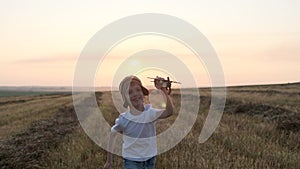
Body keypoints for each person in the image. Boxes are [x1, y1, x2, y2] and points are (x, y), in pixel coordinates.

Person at [104, 75, 174, 169]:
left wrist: (164, 91)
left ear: (143, 93)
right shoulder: (124, 119)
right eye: (130, 92)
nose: (135, 94)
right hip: (131, 160)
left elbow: (169, 112)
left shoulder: (150, 113)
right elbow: (112, 134)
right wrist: (109, 161)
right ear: (125, 99)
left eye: (138, 90)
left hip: (150, 159)